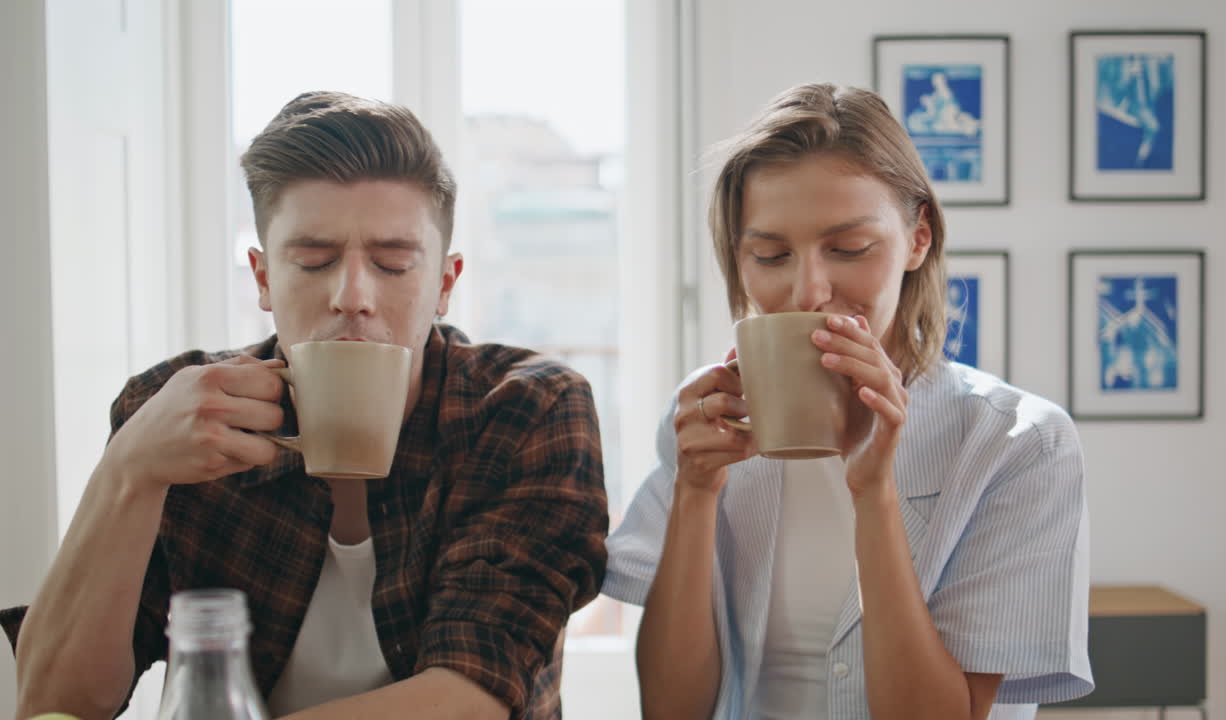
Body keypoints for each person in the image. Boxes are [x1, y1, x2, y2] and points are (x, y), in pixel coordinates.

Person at [4, 91, 609, 720]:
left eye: (393, 264)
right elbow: (56, 703)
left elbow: (471, 697)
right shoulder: (178, 413)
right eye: (315, 261)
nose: (353, 296)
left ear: (445, 284)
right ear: (264, 279)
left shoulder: (526, 409)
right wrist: (128, 471)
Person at [603, 83, 1093, 720]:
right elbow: (671, 710)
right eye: (770, 255)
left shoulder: (1017, 442)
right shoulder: (707, 421)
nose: (809, 290)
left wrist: (873, 490)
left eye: (849, 249)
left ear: (918, 238)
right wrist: (696, 493)